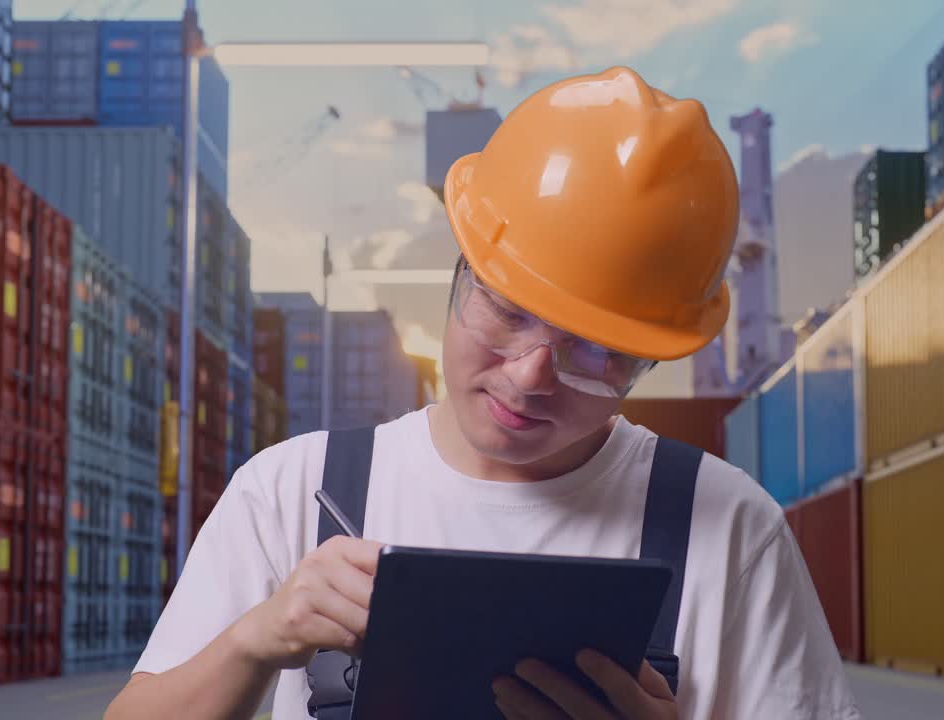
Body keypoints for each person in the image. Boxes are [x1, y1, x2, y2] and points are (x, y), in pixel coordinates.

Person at [104, 65, 860, 720]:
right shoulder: (291, 492)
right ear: (460, 268)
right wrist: (256, 638)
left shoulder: (729, 531)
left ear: (647, 362)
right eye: (507, 309)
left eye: (594, 352)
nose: (529, 376)